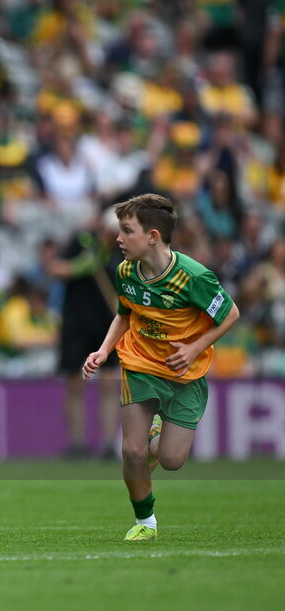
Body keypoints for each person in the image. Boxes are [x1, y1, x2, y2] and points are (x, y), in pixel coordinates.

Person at [83, 193, 239, 541]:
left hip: (185, 374)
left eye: (127, 231)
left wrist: (195, 347)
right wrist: (104, 349)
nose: (119, 239)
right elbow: (125, 314)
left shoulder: (194, 276)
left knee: (171, 460)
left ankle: (157, 436)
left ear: (153, 236)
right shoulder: (125, 271)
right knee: (131, 451)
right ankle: (145, 523)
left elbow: (230, 314)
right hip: (139, 364)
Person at [47, 211, 122, 459]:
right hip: (76, 323)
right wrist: (80, 267)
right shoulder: (82, 241)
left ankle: (110, 444)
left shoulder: (124, 250)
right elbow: (54, 268)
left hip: (108, 325)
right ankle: (77, 443)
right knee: (75, 383)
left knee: (110, 383)